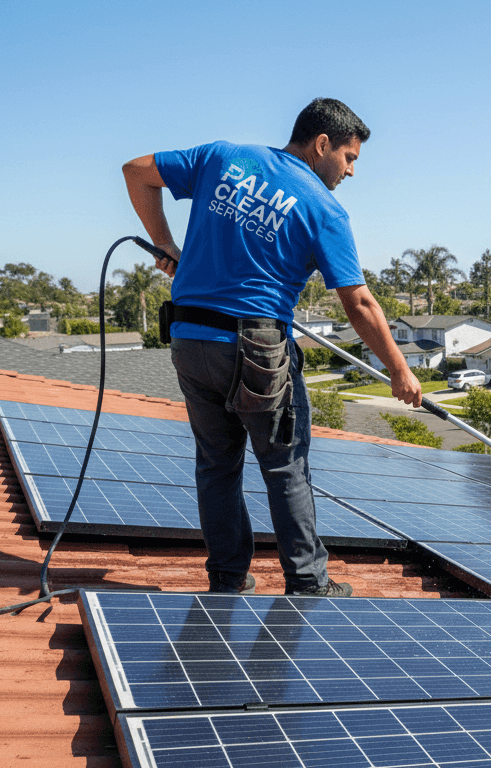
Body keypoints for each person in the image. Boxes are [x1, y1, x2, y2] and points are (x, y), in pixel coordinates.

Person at [123, 97, 421, 597]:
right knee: (285, 463)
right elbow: (360, 303)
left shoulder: (222, 157)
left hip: (191, 338)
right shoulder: (324, 209)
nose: (351, 172)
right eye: (349, 158)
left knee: (216, 463)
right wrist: (398, 369)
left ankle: (228, 577)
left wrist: (165, 244)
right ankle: (308, 582)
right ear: (322, 144)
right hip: (254, 346)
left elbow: (135, 171)